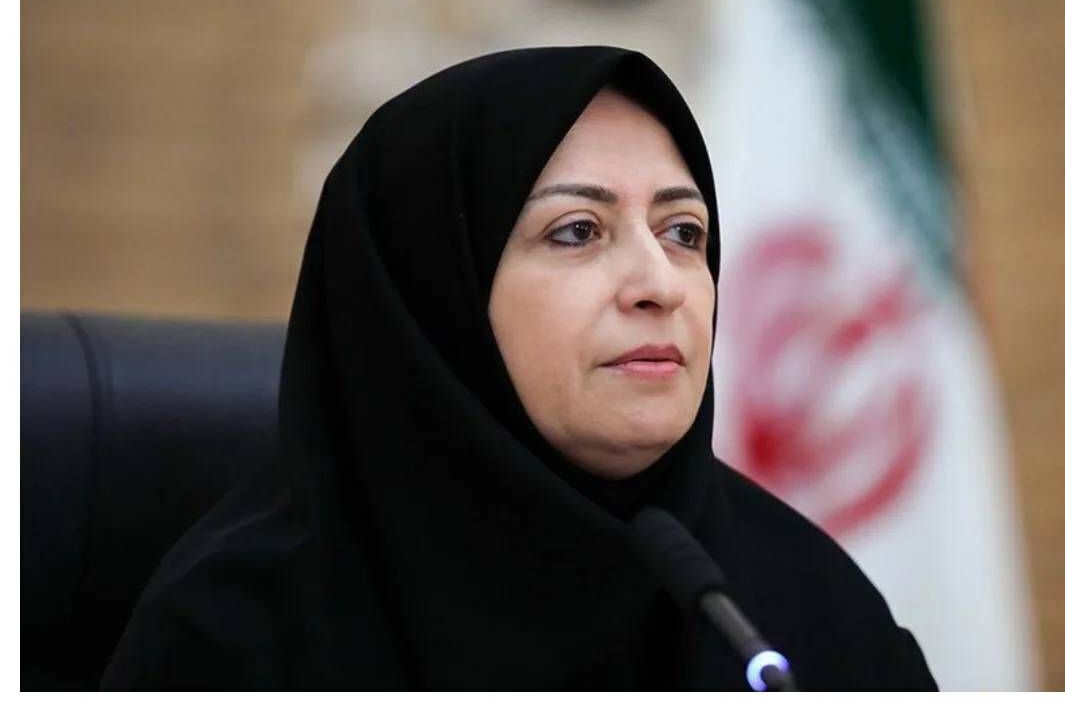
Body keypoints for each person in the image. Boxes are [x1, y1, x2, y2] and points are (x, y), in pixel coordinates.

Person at [101, 46, 937, 690]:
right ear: (436, 294)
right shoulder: (232, 638)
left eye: (684, 234)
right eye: (577, 231)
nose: (660, 284)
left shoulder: (796, 612)